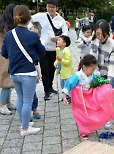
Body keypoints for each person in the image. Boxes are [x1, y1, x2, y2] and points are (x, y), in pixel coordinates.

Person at [1, 5, 46, 135]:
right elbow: (42, 52)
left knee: (20, 100)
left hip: (14, 72)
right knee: (27, 101)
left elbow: (4, 53)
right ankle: (25, 129)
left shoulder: (9, 35)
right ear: (29, 18)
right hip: (28, 73)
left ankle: (24, 122)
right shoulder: (32, 35)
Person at [62, 55, 114, 139]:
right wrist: (65, 96)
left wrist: (105, 86)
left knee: (90, 112)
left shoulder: (92, 75)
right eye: (92, 69)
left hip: (89, 97)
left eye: (94, 69)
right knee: (82, 114)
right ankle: (84, 130)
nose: (93, 71)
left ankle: (90, 125)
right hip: (79, 99)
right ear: (84, 67)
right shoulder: (77, 76)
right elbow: (68, 85)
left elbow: (97, 81)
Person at [29, 0, 68, 100]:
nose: (50, 9)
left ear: (56, 8)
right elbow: (29, 20)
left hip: (55, 49)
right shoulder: (40, 16)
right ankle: (46, 91)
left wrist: (59, 38)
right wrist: (33, 29)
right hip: (43, 48)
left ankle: (50, 87)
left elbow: (66, 33)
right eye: (48, 6)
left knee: (52, 69)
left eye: (53, 7)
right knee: (45, 70)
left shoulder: (61, 20)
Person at [90, 19, 114, 90]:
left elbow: (112, 66)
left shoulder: (112, 45)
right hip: (101, 69)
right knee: (100, 90)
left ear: (107, 33)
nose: (100, 37)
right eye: (98, 34)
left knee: (110, 90)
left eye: (103, 34)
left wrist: (108, 80)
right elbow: (92, 56)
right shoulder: (94, 40)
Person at [0, 3, 17, 115]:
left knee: (10, 79)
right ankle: (2, 105)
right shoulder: (5, 26)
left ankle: (7, 102)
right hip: (4, 54)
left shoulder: (4, 22)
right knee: (7, 79)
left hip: (6, 53)